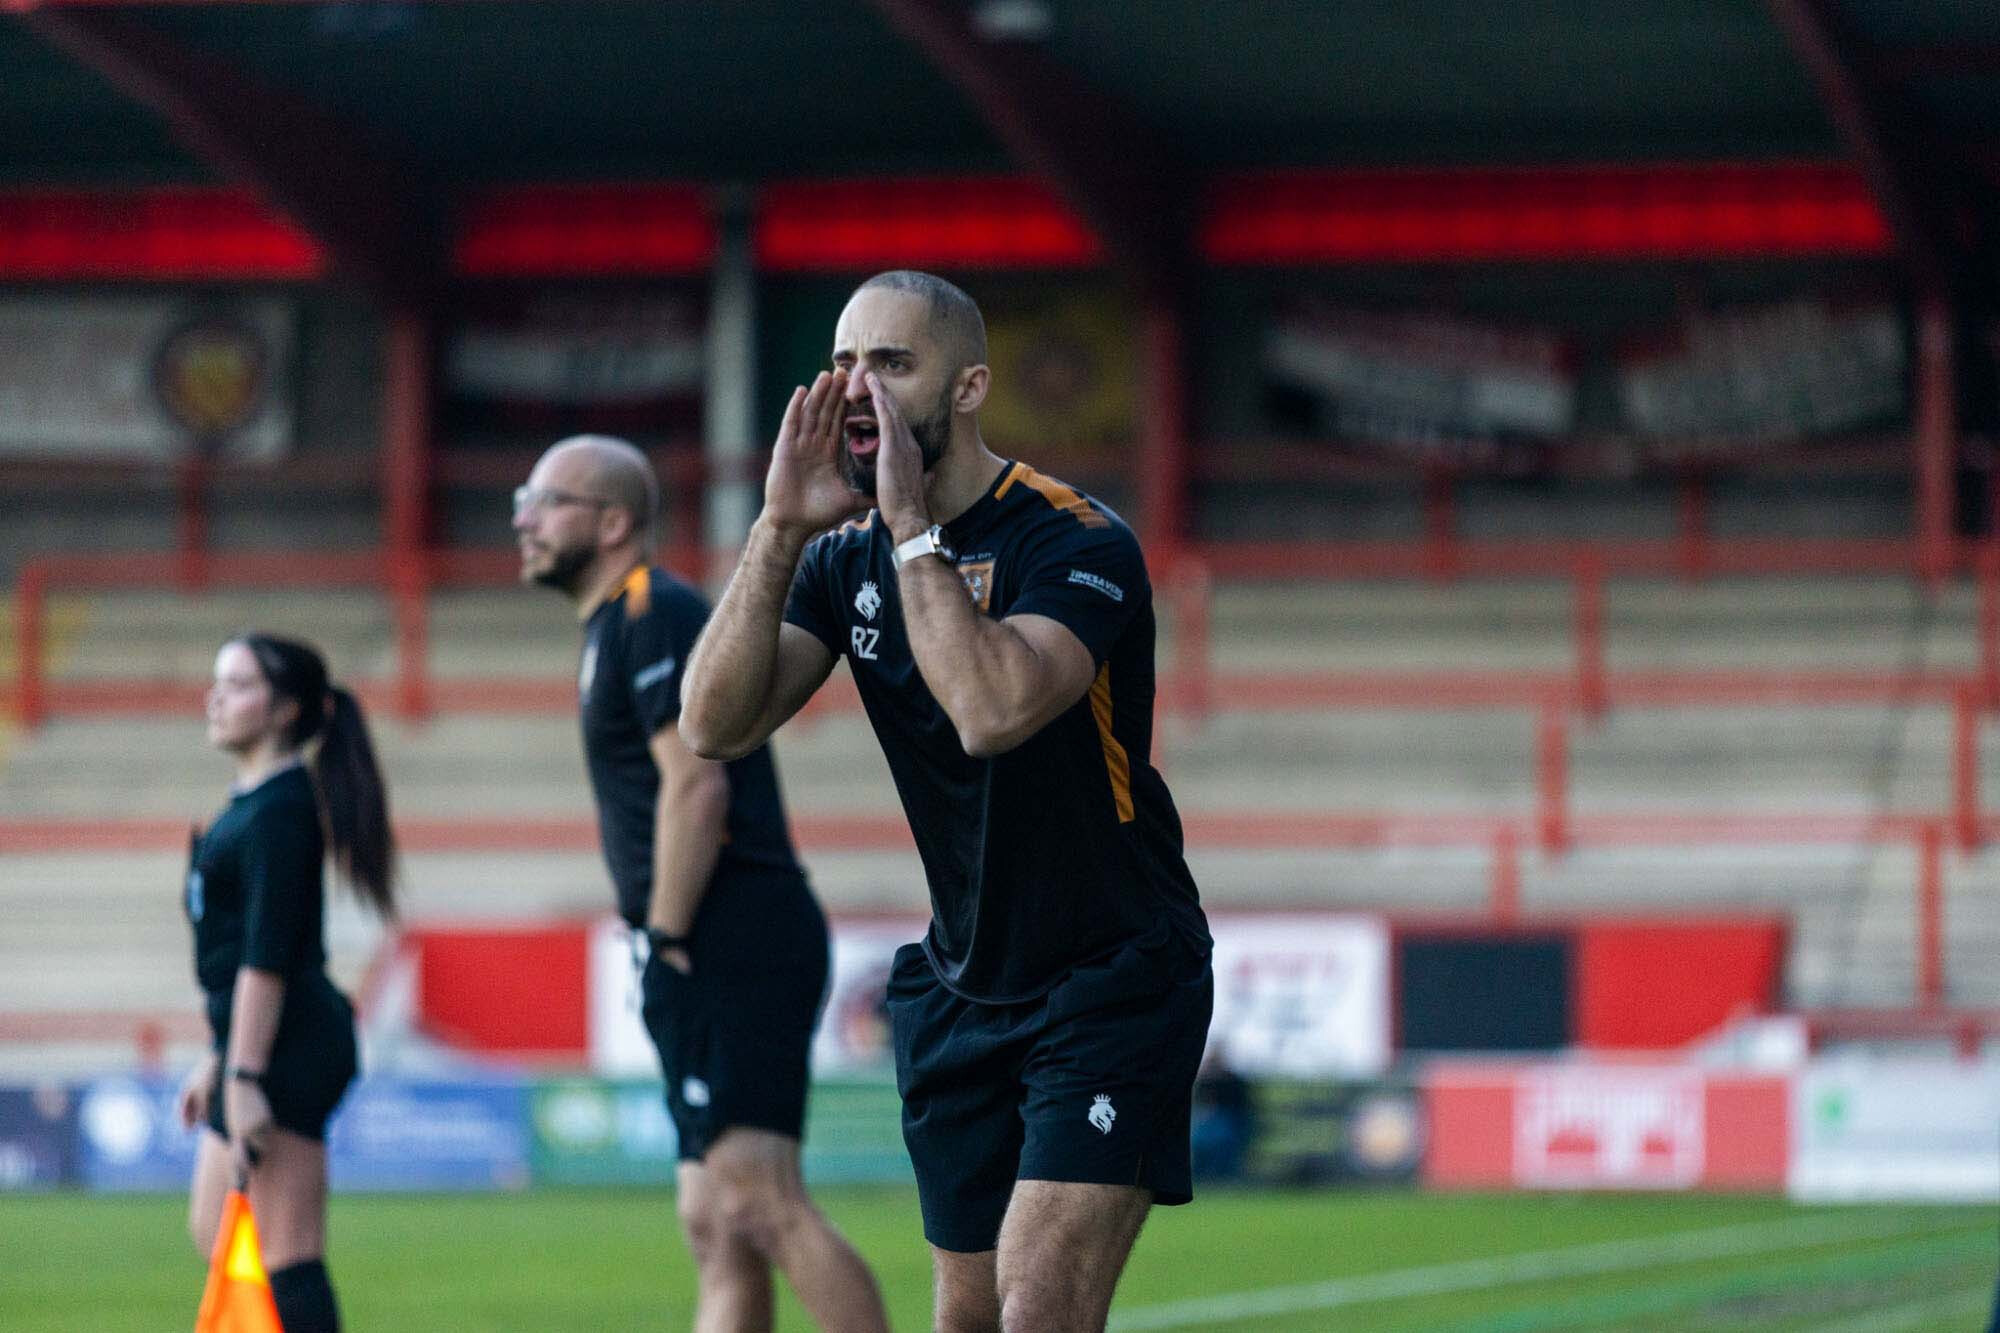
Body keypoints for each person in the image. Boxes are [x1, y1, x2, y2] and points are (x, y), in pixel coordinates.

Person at [680, 270, 1215, 1333]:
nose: (857, 390)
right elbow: (712, 723)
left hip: (1112, 972)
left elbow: (989, 709)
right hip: (964, 985)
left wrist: (911, 526)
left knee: (1036, 1310)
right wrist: (779, 531)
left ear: (967, 387)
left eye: (890, 363)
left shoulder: (1074, 540)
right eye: (841, 363)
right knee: (966, 1321)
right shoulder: (840, 560)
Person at [514, 435, 888, 1333]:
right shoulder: (612, 624)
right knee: (713, 1220)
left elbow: (698, 781)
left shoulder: (657, 613)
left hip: (732, 936)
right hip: (705, 939)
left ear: (613, 523)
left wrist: (666, 936)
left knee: (761, 1199)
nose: (523, 518)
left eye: (546, 499)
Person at [176, 633, 395, 1333]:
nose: (217, 697)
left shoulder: (282, 809)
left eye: (238, 684)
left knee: (286, 1251)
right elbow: (244, 950)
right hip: (260, 1041)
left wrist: (243, 1072)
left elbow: (268, 957)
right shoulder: (255, 803)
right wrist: (221, 1054)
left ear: (285, 709)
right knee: (215, 1231)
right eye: (218, 681)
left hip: (289, 1046)